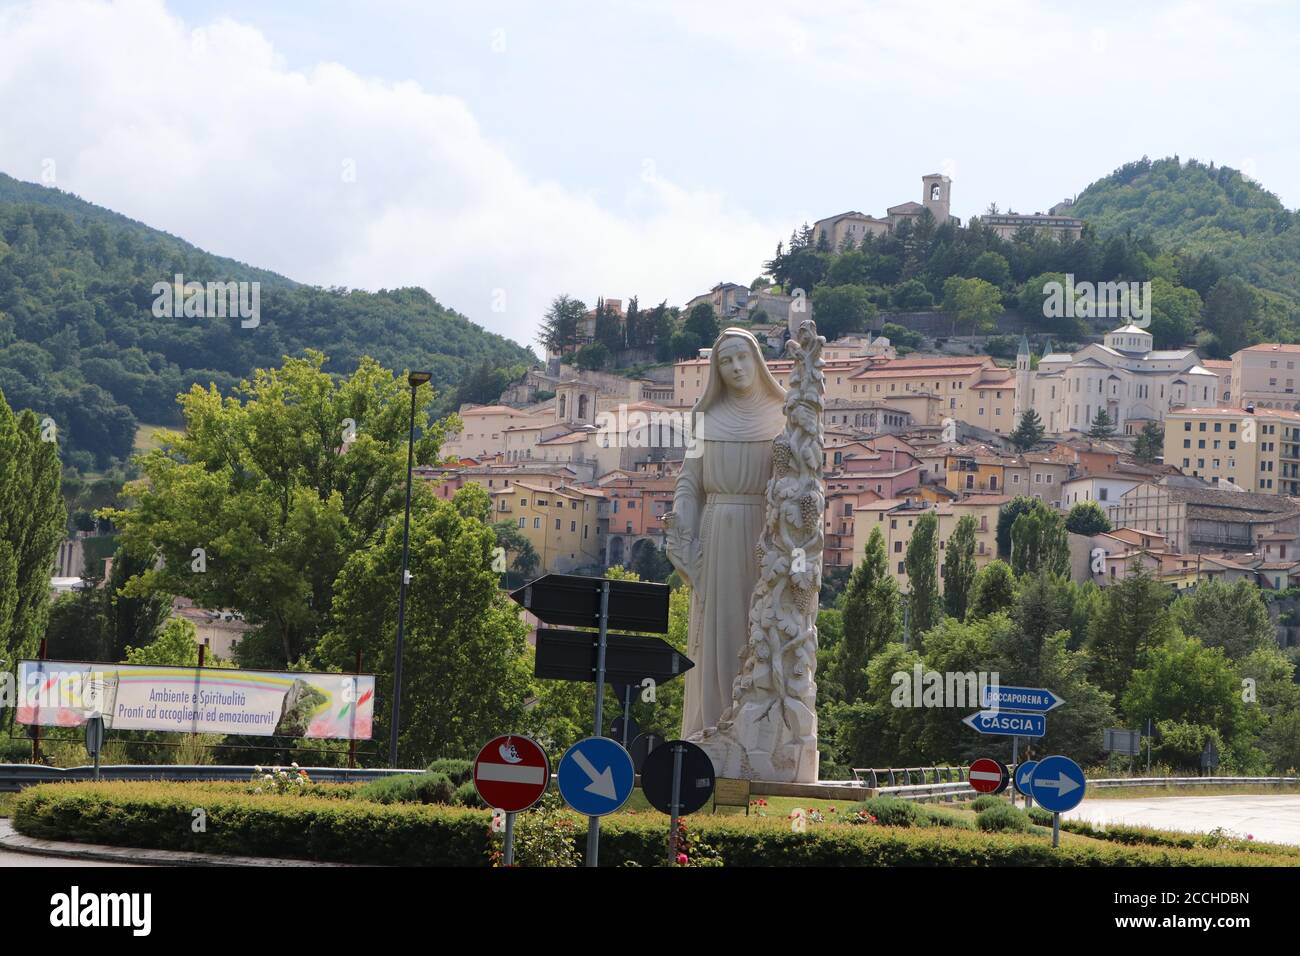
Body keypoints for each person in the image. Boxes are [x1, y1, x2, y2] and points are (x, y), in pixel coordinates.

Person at [664, 328, 785, 739]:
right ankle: (713, 725)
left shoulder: (784, 415)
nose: (735, 367)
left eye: (742, 358)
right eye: (726, 361)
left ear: (757, 361)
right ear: (716, 369)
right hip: (716, 532)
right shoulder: (706, 419)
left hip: (763, 536)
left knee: (761, 627)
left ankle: (759, 728)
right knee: (716, 632)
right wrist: (681, 517)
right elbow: (689, 480)